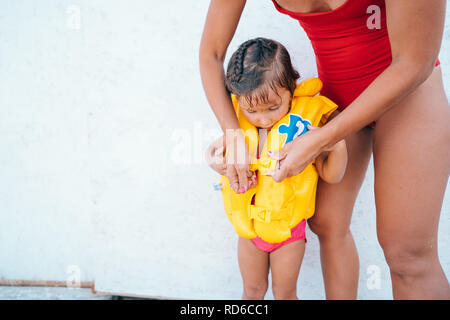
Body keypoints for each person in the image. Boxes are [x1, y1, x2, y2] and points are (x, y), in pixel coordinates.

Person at [199, 0, 450, 299]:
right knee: (326, 222)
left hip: (408, 92)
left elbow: (414, 63)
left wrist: (321, 139)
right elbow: (211, 53)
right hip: (334, 103)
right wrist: (234, 134)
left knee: (407, 255)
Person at [206, 37, 348, 300]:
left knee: (285, 293)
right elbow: (216, 152)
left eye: (273, 107)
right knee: (252, 291)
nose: (264, 119)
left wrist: (336, 145)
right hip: (249, 232)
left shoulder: (304, 130)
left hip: (289, 233)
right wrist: (213, 160)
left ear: (292, 89)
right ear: (239, 100)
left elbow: (333, 175)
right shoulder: (237, 126)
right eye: (252, 111)